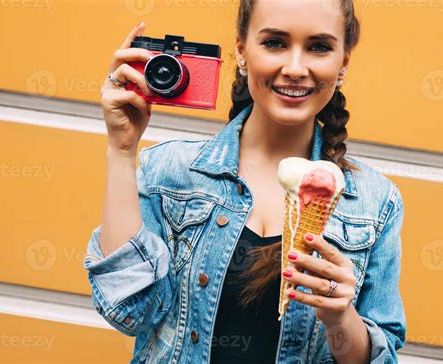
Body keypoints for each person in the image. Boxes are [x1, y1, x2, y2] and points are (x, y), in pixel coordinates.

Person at [83, 1, 406, 363]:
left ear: (343, 62)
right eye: (275, 43)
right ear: (241, 51)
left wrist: (339, 316)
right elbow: (128, 310)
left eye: (318, 47)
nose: (296, 68)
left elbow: (380, 357)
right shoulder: (170, 170)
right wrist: (122, 149)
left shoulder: (376, 203)